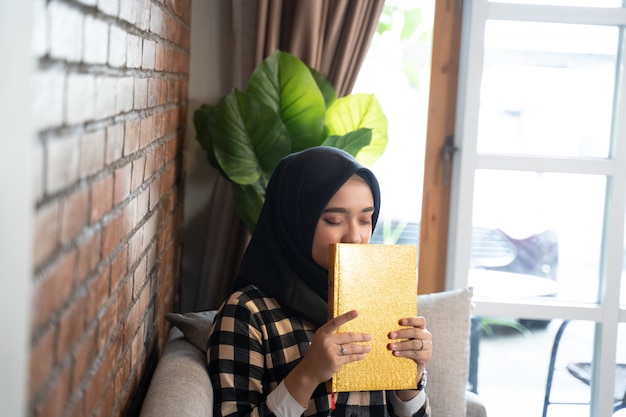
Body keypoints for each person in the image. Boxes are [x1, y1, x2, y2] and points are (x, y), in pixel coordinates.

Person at [207, 147, 432, 417]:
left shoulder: (377, 299)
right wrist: (308, 374)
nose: (355, 237)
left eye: (365, 219)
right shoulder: (247, 312)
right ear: (295, 220)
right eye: (334, 220)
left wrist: (410, 377)